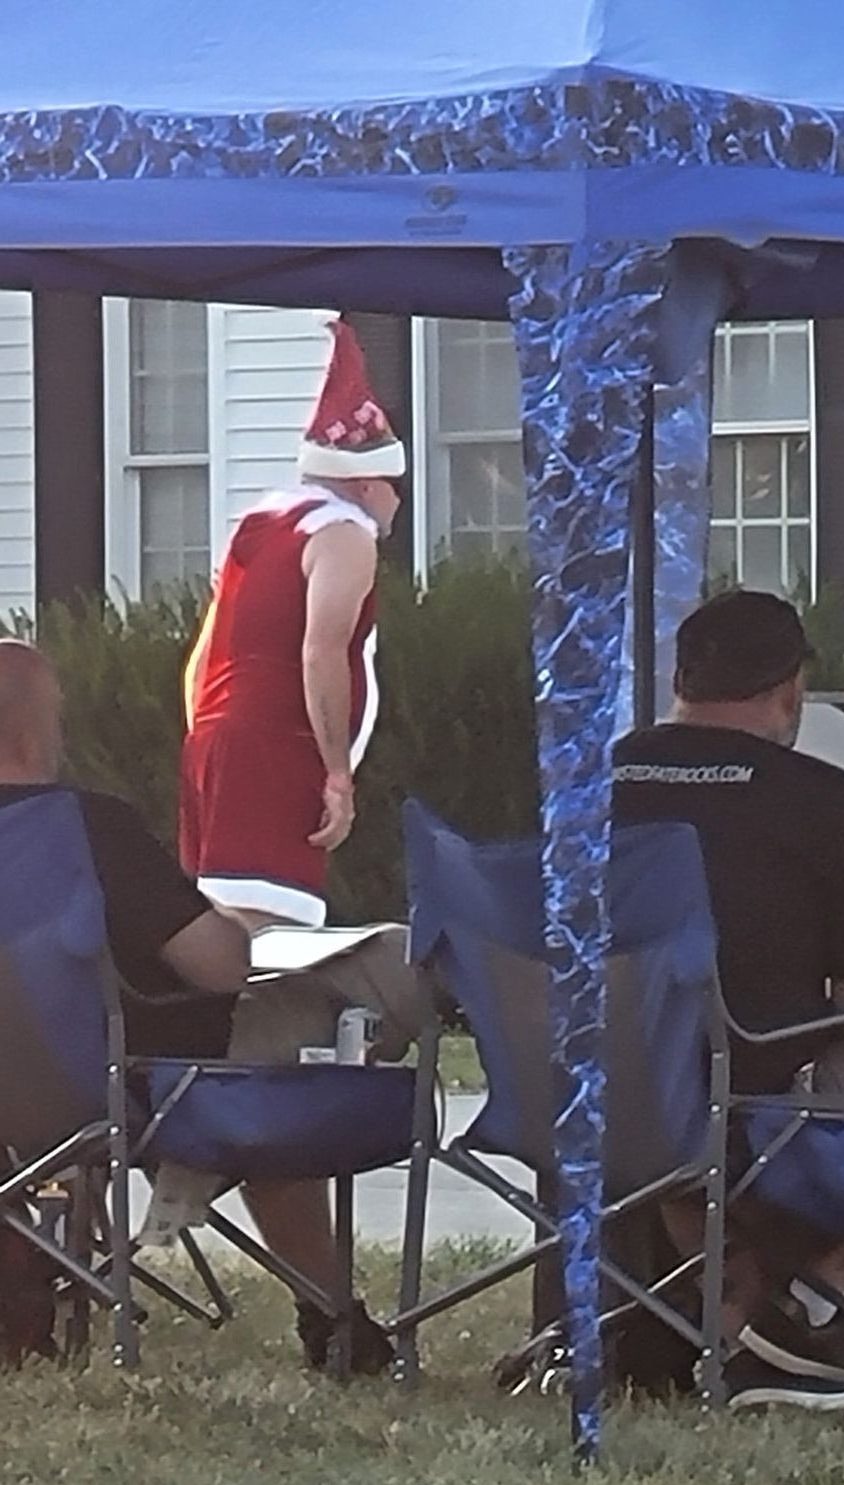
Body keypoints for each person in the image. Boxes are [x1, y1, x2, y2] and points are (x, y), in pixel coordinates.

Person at [0, 639, 421, 1373]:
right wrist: (225, 917)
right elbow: (221, 966)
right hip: (130, 1089)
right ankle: (330, 1312)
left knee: (263, 1065)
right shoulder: (86, 828)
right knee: (318, 1033)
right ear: (31, 732)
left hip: (24, 1107)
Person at [613, 589, 844, 1410]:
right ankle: (813, 1297)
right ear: (790, 691)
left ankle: (732, 1319)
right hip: (753, 1101)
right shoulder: (821, 798)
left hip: (582, 1092)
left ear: (679, 679)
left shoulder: (590, 785)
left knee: (688, 1096)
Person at [180, 317, 404, 928]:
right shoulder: (345, 535)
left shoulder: (259, 526)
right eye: (396, 486)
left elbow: (203, 656)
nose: (397, 503)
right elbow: (320, 652)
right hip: (277, 747)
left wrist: (206, 740)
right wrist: (337, 774)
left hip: (215, 743)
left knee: (218, 927)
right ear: (367, 483)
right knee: (268, 935)